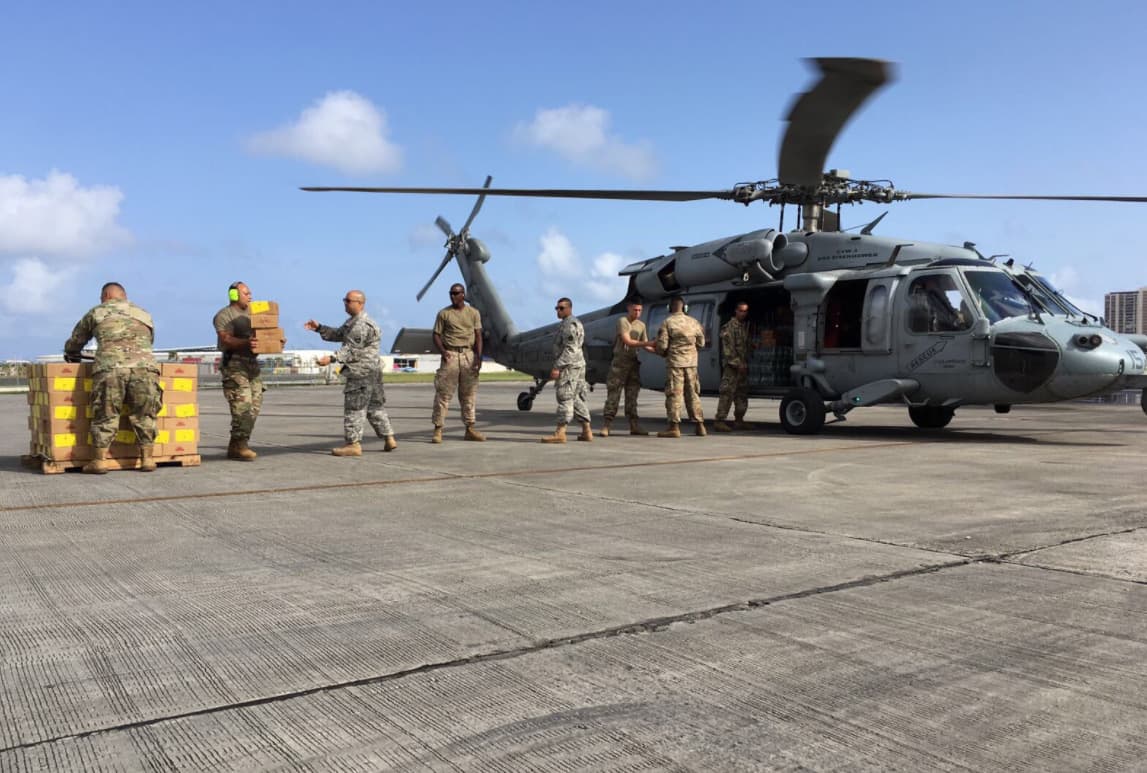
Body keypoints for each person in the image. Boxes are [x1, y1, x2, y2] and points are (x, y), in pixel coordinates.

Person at [63, 282, 163, 473]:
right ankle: (147, 459)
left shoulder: (97, 312)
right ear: (123, 295)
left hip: (110, 369)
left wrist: (71, 352)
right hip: (145, 369)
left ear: (107, 296)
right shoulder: (143, 313)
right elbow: (148, 341)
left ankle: (100, 461)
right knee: (145, 415)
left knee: (105, 414)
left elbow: (77, 340)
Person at [305, 290, 396, 456]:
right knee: (375, 407)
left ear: (360, 303)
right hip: (373, 372)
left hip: (360, 373)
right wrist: (319, 328)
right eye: (344, 300)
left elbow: (350, 349)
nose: (345, 303)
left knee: (354, 408)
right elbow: (339, 335)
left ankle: (353, 444)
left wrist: (332, 358)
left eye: (348, 300)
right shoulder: (354, 323)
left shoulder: (360, 325)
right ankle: (389, 438)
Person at [213, 282, 268, 460]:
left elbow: (267, 332)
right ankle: (240, 446)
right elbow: (226, 339)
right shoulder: (224, 315)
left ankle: (236, 444)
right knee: (242, 407)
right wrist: (247, 343)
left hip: (252, 364)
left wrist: (275, 341)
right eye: (245, 293)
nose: (250, 296)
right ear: (234, 295)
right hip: (234, 364)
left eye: (250, 293)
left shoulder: (256, 313)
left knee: (254, 408)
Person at [431, 283, 485, 443]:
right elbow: (436, 334)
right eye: (451, 293)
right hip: (451, 355)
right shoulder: (444, 313)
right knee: (443, 394)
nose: (453, 296)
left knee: (469, 394)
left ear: (463, 295)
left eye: (456, 293)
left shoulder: (473, 313)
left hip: (468, 355)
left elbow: (478, 335)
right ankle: (438, 429)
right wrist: (443, 352)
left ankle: (469, 428)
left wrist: (479, 357)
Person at [652, 296, 707, 438]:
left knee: (675, 394)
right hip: (692, 364)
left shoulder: (667, 323)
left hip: (675, 364)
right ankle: (700, 426)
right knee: (693, 394)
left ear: (669, 307)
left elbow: (662, 346)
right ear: (685, 307)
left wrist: (659, 351)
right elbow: (701, 343)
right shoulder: (694, 322)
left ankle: (674, 427)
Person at [601, 299, 655, 437]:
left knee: (632, 396)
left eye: (640, 310)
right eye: (635, 310)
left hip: (633, 363)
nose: (637, 313)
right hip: (620, 362)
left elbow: (645, 345)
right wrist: (649, 342)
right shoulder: (622, 321)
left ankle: (634, 425)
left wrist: (659, 350)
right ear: (629, 309)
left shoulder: (641, 325)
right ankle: (606, 425)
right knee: (614, 394)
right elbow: (627, 341)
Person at [541, 297, 592, 443]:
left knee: (565, 396)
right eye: (557, 308)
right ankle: (586, 431)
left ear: (569, 308)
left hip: (570, 366)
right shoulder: (569, 323)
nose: (558, 310)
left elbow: (571, 349)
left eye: (561, 308)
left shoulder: (570, 325)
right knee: (576, 399)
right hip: (577, 364)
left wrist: (558, 366)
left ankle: (560, 432)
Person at [714, 302, 752, 432]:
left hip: (742, 366)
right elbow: (727, 350)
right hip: (732, 367)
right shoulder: (729, 327)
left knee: (741, 393)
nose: (743, 313)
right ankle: (720, 420)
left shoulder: (742, 327)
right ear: (736, 311)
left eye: (745, 311)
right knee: (727, 393)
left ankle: (739, 420)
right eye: (741, 311)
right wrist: (737, 363)